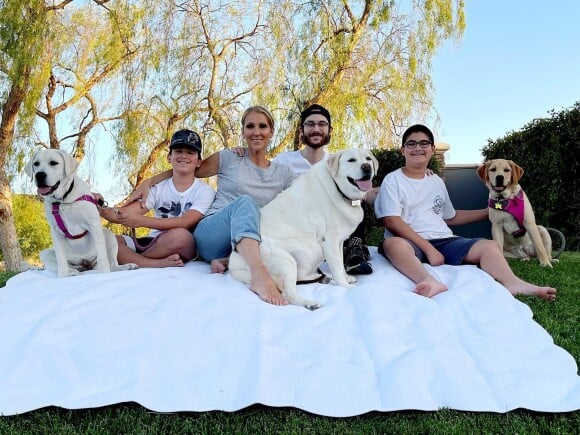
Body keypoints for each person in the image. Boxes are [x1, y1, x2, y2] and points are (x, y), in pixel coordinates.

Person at [128, 106, 297, 306]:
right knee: (245, 202)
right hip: (212, 235)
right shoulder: (229, 158)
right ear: (243, 131)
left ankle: (227, 261)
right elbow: (187, 168)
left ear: (271, 131)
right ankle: (258, 275)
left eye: (262, 126)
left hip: (251, 240)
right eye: (250, 126)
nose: (256, 132)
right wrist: (149, 182)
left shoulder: (284, 174)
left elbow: (294, 209)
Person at [374, 124, 556, 301]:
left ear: (432, 149)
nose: (418, 148)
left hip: (444, 240)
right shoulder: (393, 180)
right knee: (393, 244)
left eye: (424, 143)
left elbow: (450, 217)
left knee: (489, 246)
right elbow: (391, 221)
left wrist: (488, 212)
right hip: (411, 242)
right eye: (411, 144)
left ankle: (513, 283)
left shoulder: (435, 181)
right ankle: (427, 280)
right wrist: (429, 249)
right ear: (402, 150)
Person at [272, 104, 376, 275]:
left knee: (353, 202)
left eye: (322, 124)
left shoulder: (338, 162)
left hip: (331, 227)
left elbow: (364, 193)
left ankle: (354, 252)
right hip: (298, 227)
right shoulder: (283, 161)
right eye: (310, 124)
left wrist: (398, 183)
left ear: (329, 130)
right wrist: (242, 154)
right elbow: (262, 182)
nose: (316, 129)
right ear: (301, 130)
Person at [100, 129, 215, 268]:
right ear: (169, 157)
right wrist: (99, 207)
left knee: (180, 237)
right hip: (152, 242)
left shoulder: (205, 191)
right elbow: (124, 215)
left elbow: (184, 222)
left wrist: (141, 221)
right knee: (105, 239)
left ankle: (133, 258)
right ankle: (152, 263)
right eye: (178, 151)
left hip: (182, 243)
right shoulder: (157, 188)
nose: (184, 155)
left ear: (198, 162)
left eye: (190, 152)